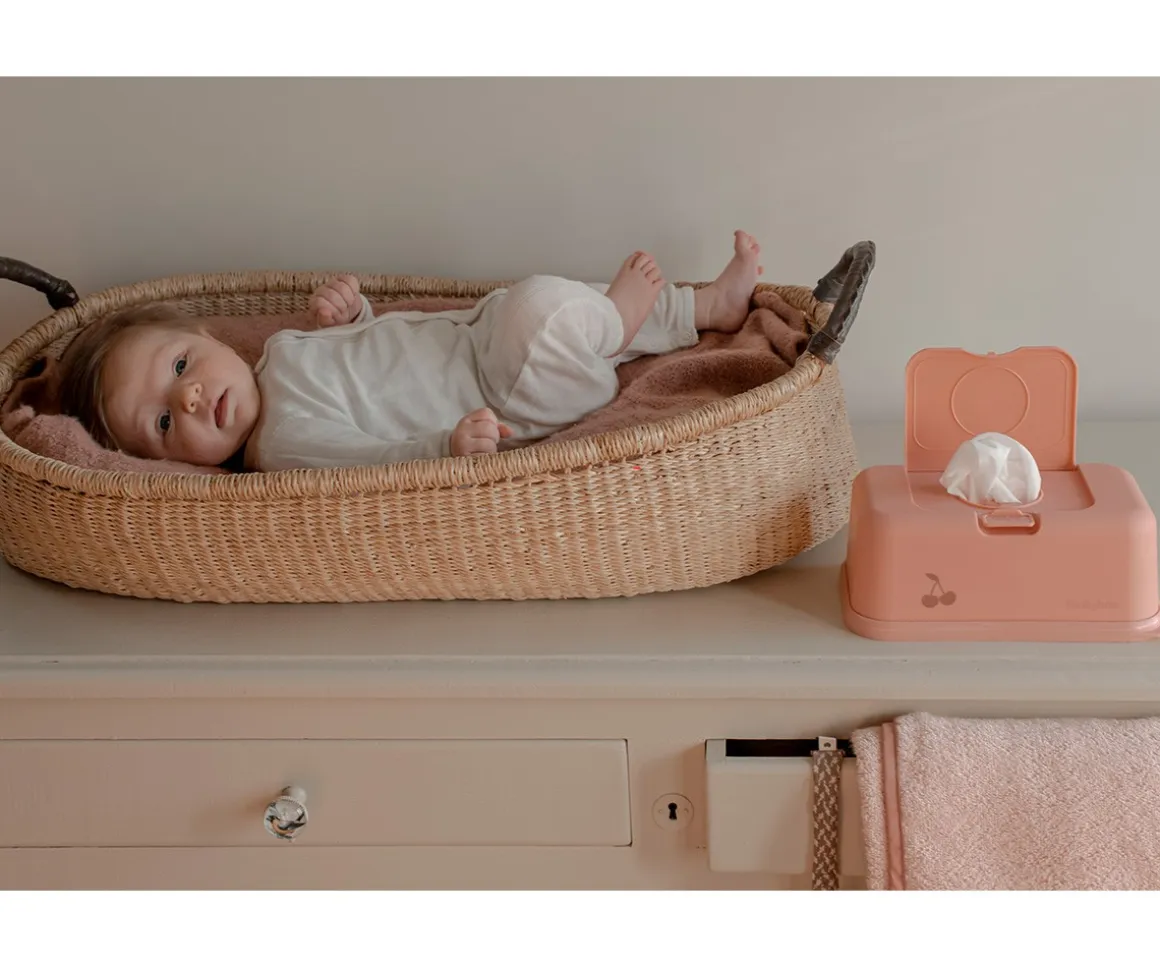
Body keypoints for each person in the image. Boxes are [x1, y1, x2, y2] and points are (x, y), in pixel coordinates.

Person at [61, 231, 763, 471]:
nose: (187, 398)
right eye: (163, 422)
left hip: (474, 344)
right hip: (503, 400)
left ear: (210, 338)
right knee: (540, 313)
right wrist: (443, 447)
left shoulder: (276, 355)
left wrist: (353, 317)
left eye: (180, 367)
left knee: (524, 304)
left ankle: (704, 309)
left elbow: (376, 362)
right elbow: (370, 460)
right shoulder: (281, 443)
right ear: (167, 465)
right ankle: (615, 321)